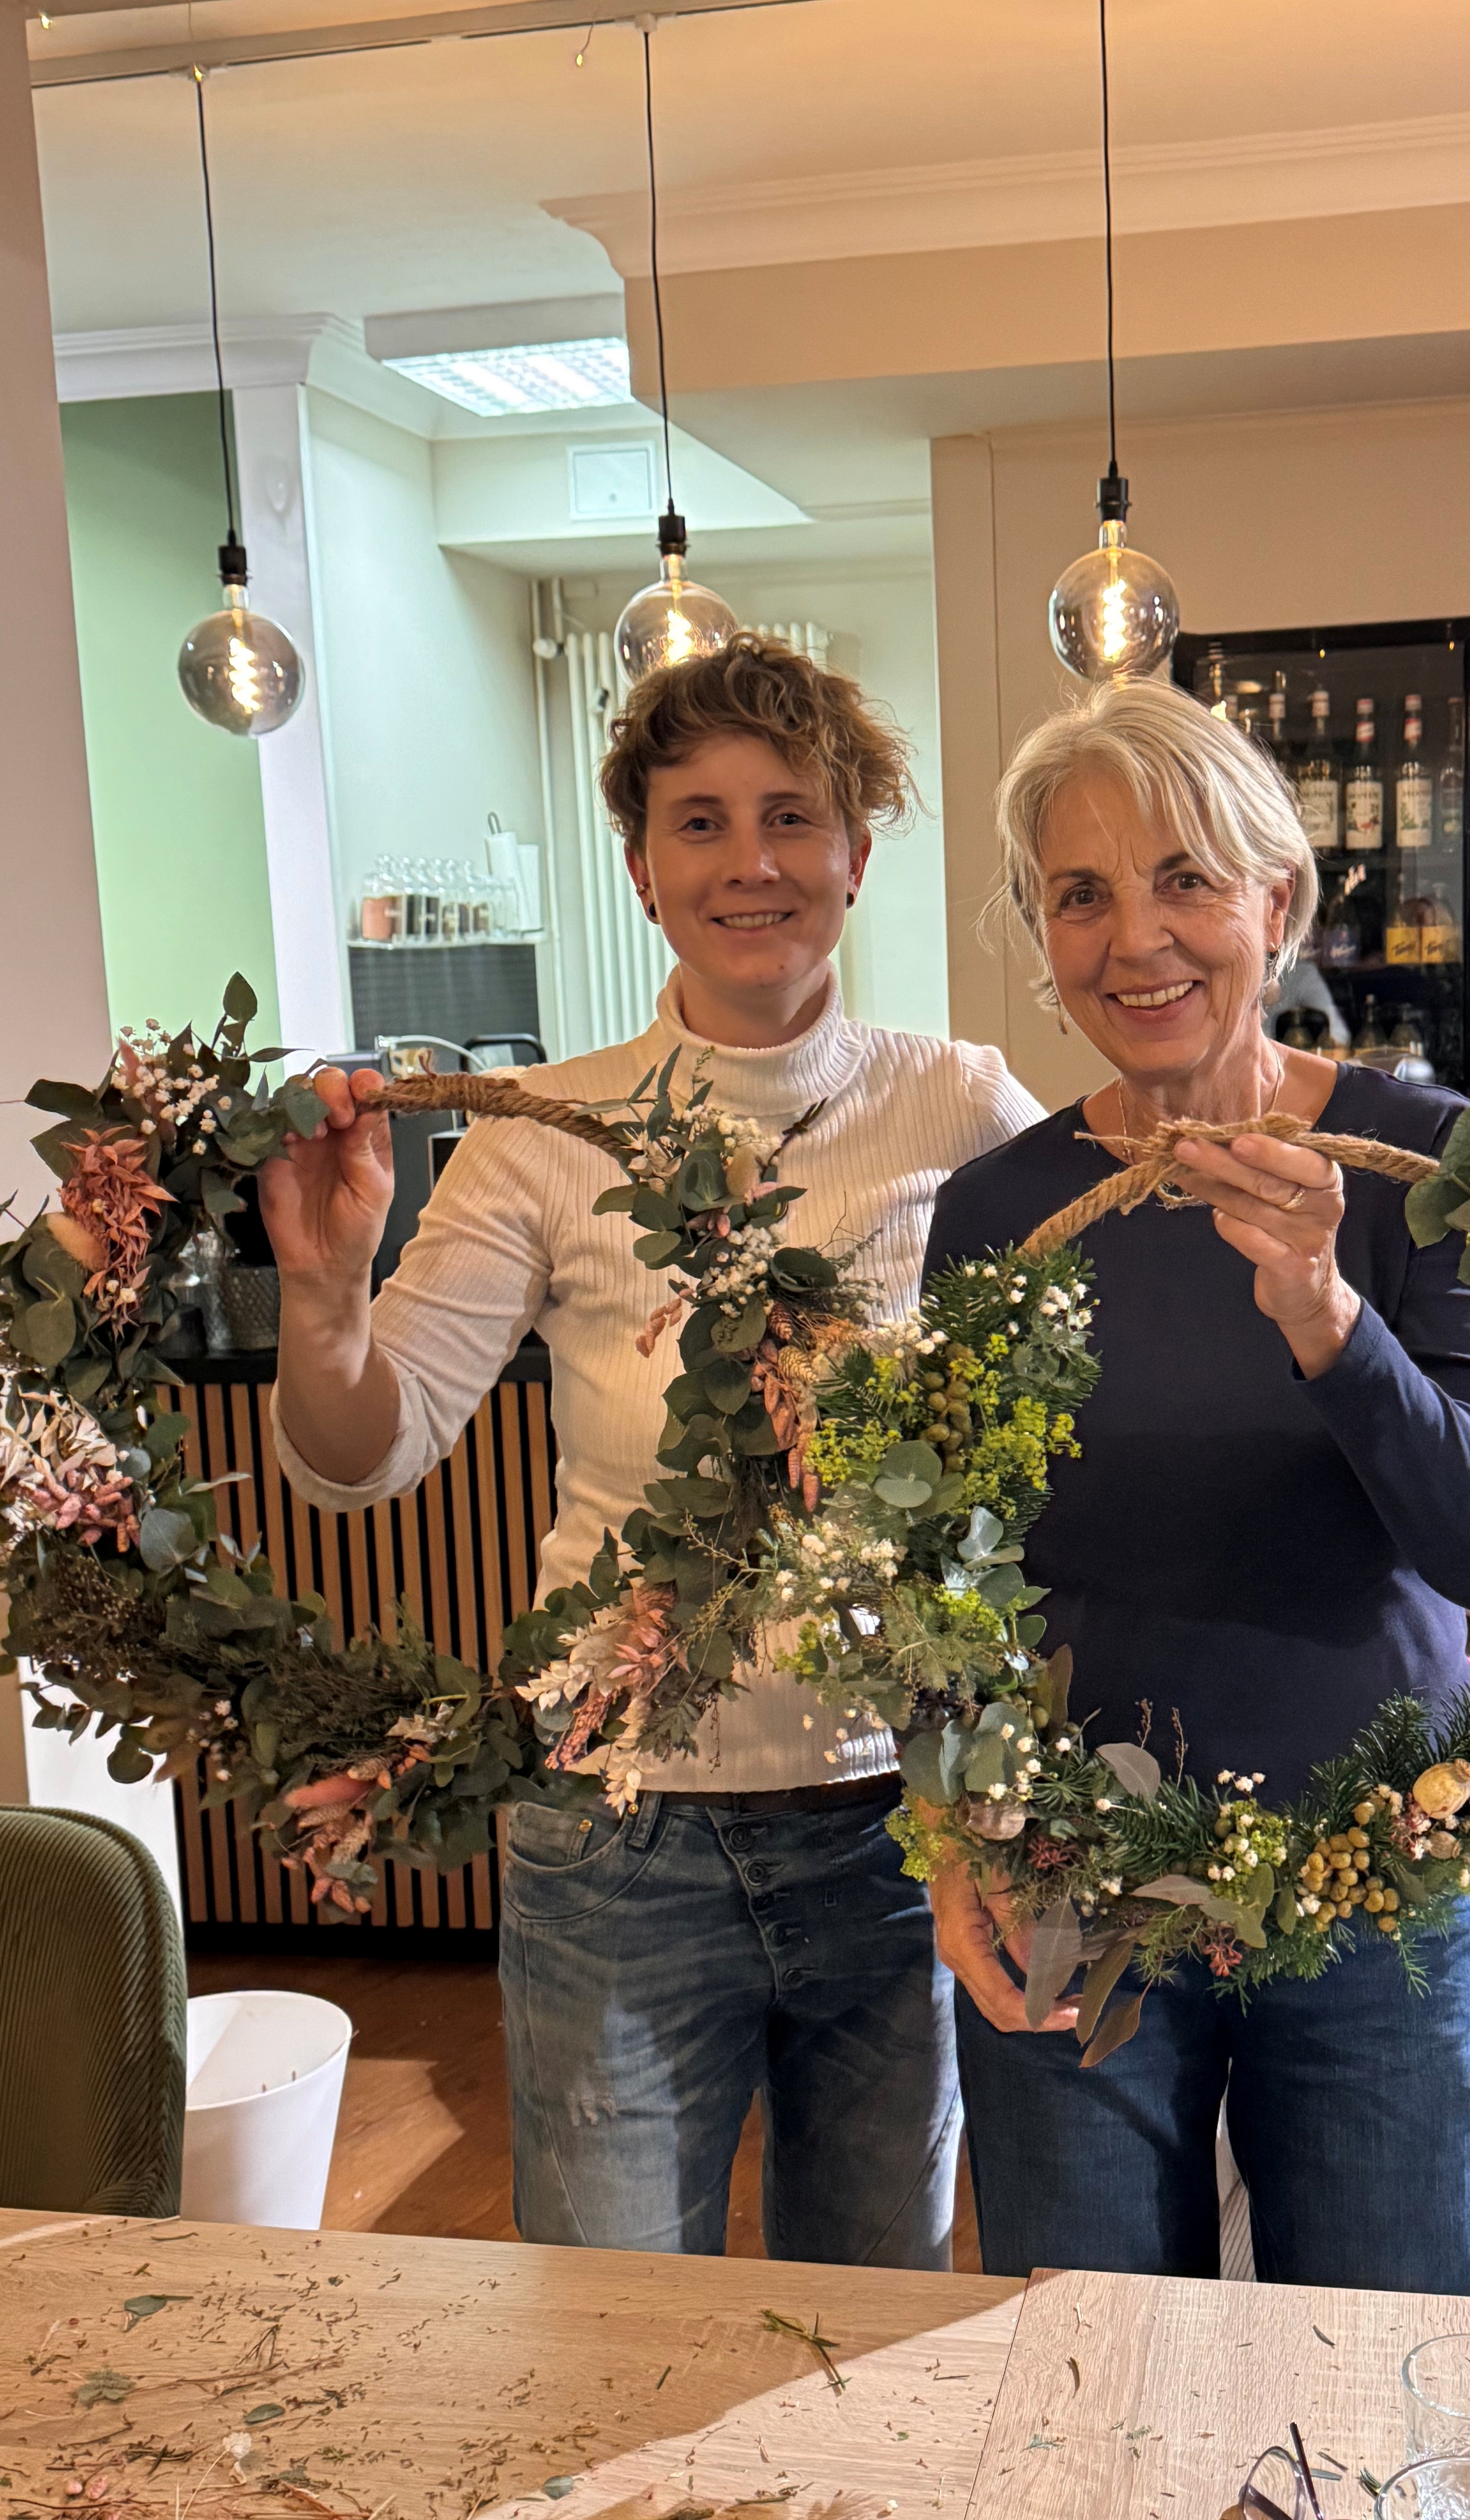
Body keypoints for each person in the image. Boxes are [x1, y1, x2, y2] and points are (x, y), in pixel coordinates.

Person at [261, 635, 1041, 2265]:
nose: (750, 861)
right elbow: (369, 1451)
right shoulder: (543, 1132)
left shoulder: (963, 1109)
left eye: (791, 817)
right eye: (700, 822)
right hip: (619, 1838)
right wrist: (329, 1295)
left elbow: (1094, 1398)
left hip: (896, 1825)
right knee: (606, 2329)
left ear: (855, 852)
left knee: (873, 2319)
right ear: (639, 867)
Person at [922, 677, 1470, 2292]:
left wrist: (1325, 1319)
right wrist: (950, 1837)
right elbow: (935, 1572)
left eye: (1186, 878)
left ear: (1277, 902)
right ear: (1040, 937)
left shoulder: (1420, 1167)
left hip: (1375, 1888)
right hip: (1069, 1886)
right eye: (1081, 894)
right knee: (1088, 2389)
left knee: (1406, 2398)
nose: (1137, 940)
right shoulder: (998, 1210)